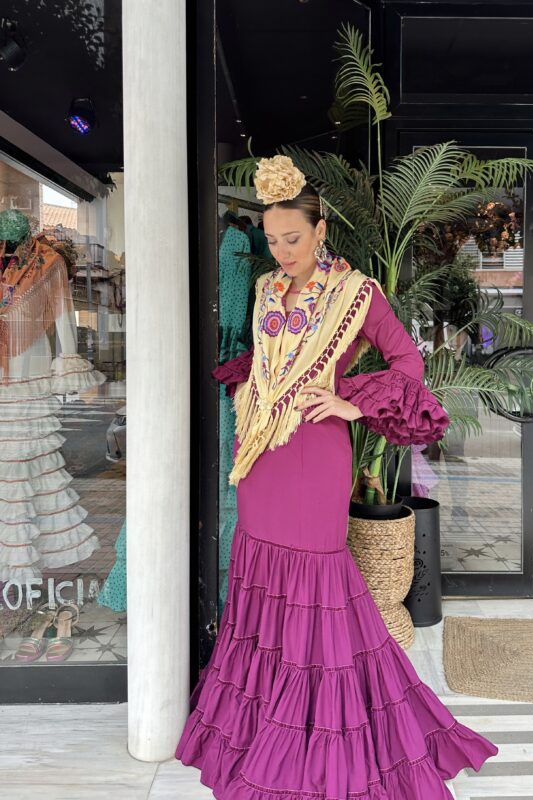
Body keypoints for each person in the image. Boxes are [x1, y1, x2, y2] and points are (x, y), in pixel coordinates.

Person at [176, 155, 499, 798]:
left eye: (292, 238)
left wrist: (349, 401)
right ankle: (258, 714)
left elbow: (408, 361)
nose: (281, 250)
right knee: (261, 572)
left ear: (321, 232)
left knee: (317, 577)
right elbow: (269, 364)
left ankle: (322, 729)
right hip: (262, 457)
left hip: (316, 455)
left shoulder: (359, 294)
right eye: (272, 240)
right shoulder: (269, 289)